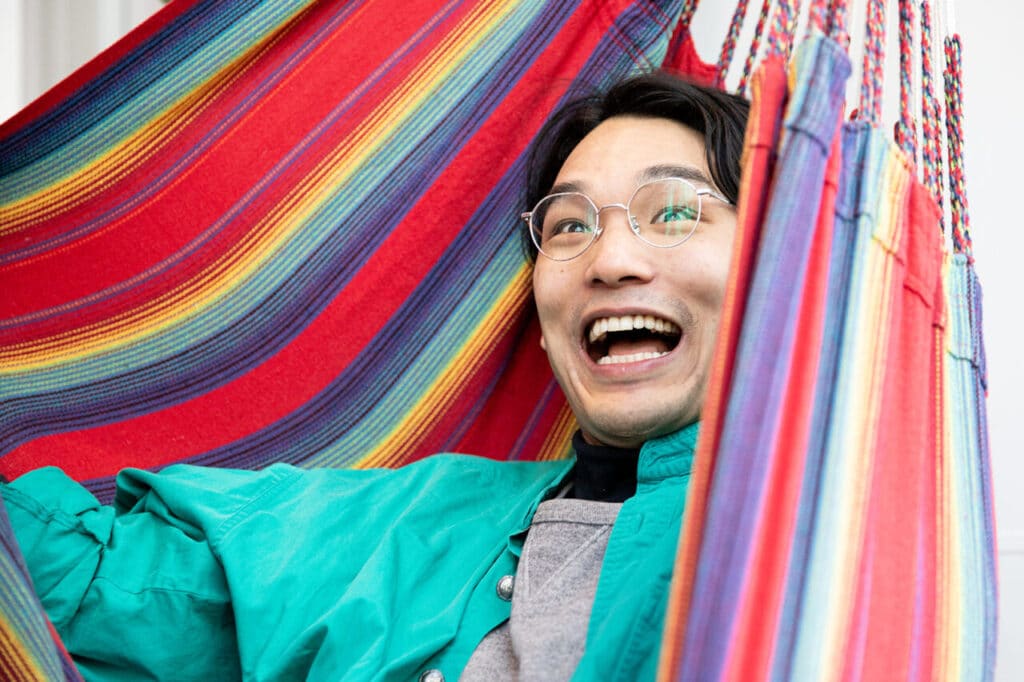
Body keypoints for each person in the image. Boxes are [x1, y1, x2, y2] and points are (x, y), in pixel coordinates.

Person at [0, 72, 748, 681]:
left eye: (676, 211)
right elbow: (90, 591)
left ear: (778, 269)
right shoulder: (403, 524)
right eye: (569, 226)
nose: (611, 259)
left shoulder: (825, 546)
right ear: (544, 331)